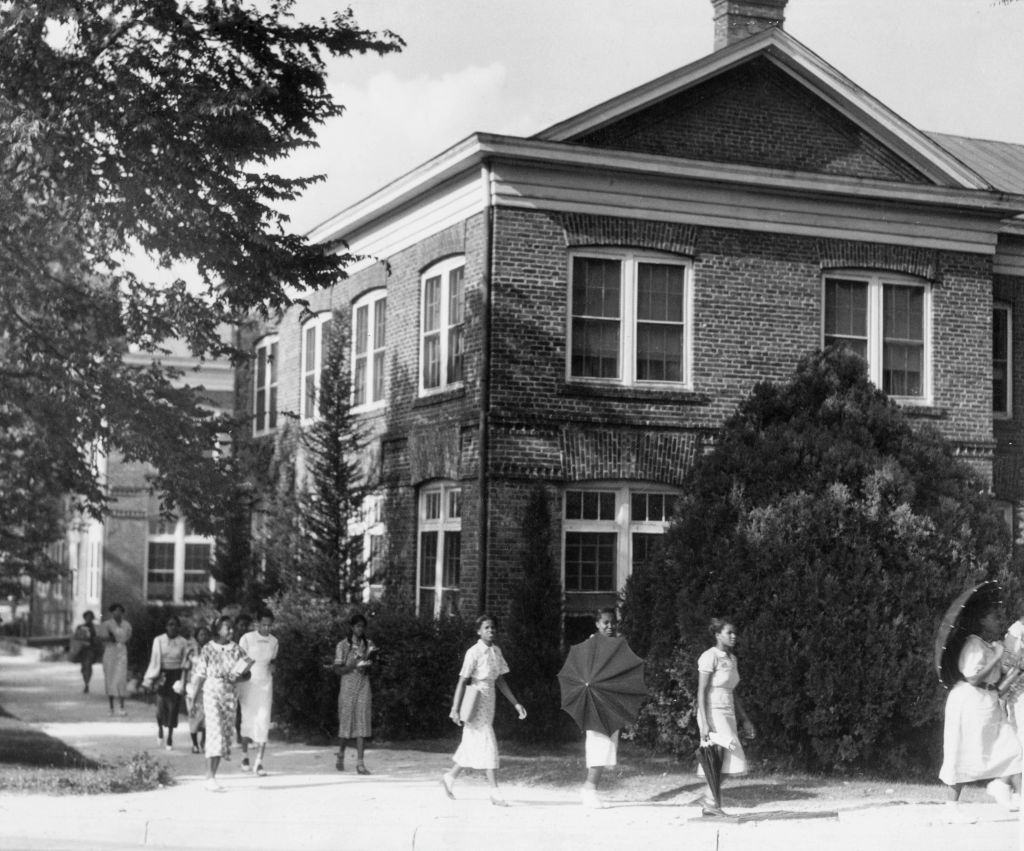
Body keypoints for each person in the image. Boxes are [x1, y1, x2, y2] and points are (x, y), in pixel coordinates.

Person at [940, 601, 1022, 813]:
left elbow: (997, 679)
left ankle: (1008, 790)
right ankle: (951, 807)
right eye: (994, 617)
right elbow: (973, 677)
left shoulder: (987, 644)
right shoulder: (973, 644)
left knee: (1013, 749)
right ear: (982, 621)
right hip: (970, 701)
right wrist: (995, 657)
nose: (998, 620)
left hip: (987, 700)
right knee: (962, 751)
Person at [442, 614, 527, 807]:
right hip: (475, 700)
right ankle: (495, 791)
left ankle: (449, 778)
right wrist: (455, 708)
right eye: (486, 628)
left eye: (493, 627)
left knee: (472, 743)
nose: (491, 631)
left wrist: (515, 703)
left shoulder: (496, 651)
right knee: (488, 742)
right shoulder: (473, 652)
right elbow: (462, 681)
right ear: (479, 631)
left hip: (490, 701)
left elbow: (500, 680)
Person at [696, 617, 756, 818]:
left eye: (734, 633)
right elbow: (701, 691)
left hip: (728, 710)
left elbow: (733, 691)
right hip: (712, 712)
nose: (733, 636)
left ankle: (709, 801)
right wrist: (704, 722)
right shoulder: (709, 656)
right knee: (725, 755)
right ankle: (709, 800)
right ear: (717, 635)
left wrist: (745, 719)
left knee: (729, 760)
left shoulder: (732, 659)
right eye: (728, 633)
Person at [187, 615, 252, 792]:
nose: (231, 631)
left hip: (230, 695)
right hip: (211, 692)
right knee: (214, 731)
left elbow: (247, 674)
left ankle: (212, 776)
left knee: (223, 735)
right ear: (218, 630)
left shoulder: (237, 650)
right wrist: (193, 698)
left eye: (232, 628)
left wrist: (240, 675)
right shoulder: (208, 648)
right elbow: (200, 675)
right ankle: (209, 776)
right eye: (227, 628)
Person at [579, 607, 620, 809]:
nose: (610, 626)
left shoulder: (617, 645)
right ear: (597, 624)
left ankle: (591, 787)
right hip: (596, 700)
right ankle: (589, 788)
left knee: (607, 746)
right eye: (605, 622)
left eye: (613, 622)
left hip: (612, 700)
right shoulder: (592, 645)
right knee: (599, 744)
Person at [333, 613, 376, 774]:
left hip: (363, 684)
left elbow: (372, 665)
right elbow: (337, 669)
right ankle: (341, 754)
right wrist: (351, 665)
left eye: (363, 626)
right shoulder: (343, 645)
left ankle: (360, 763)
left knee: (362, 721)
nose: (360, 629)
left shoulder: (368, 644)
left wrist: (368, 664)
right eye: (358, 626)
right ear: (352, 627)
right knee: (346, 722)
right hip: (348, 686)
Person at [238, 609, 279, 777]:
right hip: (248, 682)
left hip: (265, 683)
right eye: (263, 624)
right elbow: (239, 662)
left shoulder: (274, 641)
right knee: (248, 718)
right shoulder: (247, 638)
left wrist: (274, 667)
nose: (267, 628)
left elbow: (273, 661)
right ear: (257, 623)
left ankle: (259, 762)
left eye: (269, 625)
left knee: (263, 719)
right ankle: (245, 756)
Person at [142, 615, 190, 750]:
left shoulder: (183, 642)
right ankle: (160, 730)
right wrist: (150, 678)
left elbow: (186, 661)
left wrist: (184, 679)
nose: (172, 627)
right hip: (162, 674)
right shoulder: (158, 640)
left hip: (176, 675)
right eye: (170, 624)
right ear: (166, 627)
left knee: (173, 707)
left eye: (175, 625)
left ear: (179, 627)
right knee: (160, 707)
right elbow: (154, 659)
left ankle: (170, 736)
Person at [98, 603, 133, 716]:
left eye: (119, 611)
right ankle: (111, 707)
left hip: (121, 651)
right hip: (110, 651)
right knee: (110, 678)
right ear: (111, 612)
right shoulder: (107, 624)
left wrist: (120, 640)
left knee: (121, 678)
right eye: (115, 611)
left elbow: (128, 637)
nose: (117, 613)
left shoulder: (126, 625)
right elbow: (101, 638)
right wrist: (109, 637)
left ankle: (122, 706)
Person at [183, 624, 211, 754]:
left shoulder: (212, 651)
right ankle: (194, 743)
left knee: (206, 716)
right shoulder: (191, 651)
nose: (203, 637)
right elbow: (185, 669)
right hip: (193, 686)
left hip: (207, 687)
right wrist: (183, 685)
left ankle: (204, 741)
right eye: (201, 634)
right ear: (197, 636)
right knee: (193, 715)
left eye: (206, 634)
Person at [232, 613, 253, 759]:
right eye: (241, 625)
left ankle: (248, 735)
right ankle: (239, 735)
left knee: (249, 707)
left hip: (250, 676)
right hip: (236, 676)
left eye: (246, 625)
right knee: (237, 708)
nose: (243, 628)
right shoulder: (233, 642)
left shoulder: (251, 640)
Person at [72, 611, 98, 694]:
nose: (89, 618)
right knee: (83, 668)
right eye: (87, 616)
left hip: (91, 649)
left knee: (88, 666)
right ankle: (85, 681)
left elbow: (98, 639)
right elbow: (75, 638)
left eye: (90, 616)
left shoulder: (95, 628)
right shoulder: (80, 627)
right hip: (82, 650)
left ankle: (87, 683)